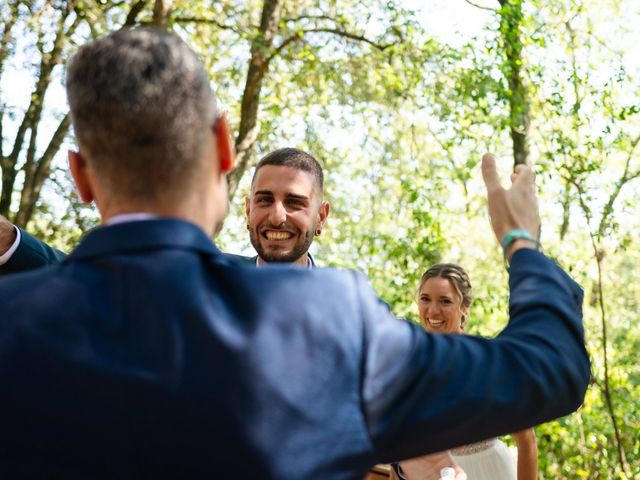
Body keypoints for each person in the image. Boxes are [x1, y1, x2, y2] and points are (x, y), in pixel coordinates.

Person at [0, 27, 590, 479]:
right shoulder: (332, 322)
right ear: (225, 148)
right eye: (266, 199)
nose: (278, 216)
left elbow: (97, 287)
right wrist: (522, 244)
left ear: (79, 174)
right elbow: (546, 371)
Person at [0, 147, 329, 272]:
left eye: (296, 202)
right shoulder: (206, 280)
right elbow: (98, 282)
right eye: (264, 199)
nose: (277, 216)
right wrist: (9, 241)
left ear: (321, 216)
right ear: (247, 209)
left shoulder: (360, 314)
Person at [390, 264, 537, 480]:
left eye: (445, 301)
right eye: (425, 299)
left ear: (464, 306)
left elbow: (527, 441)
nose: (432, 311)